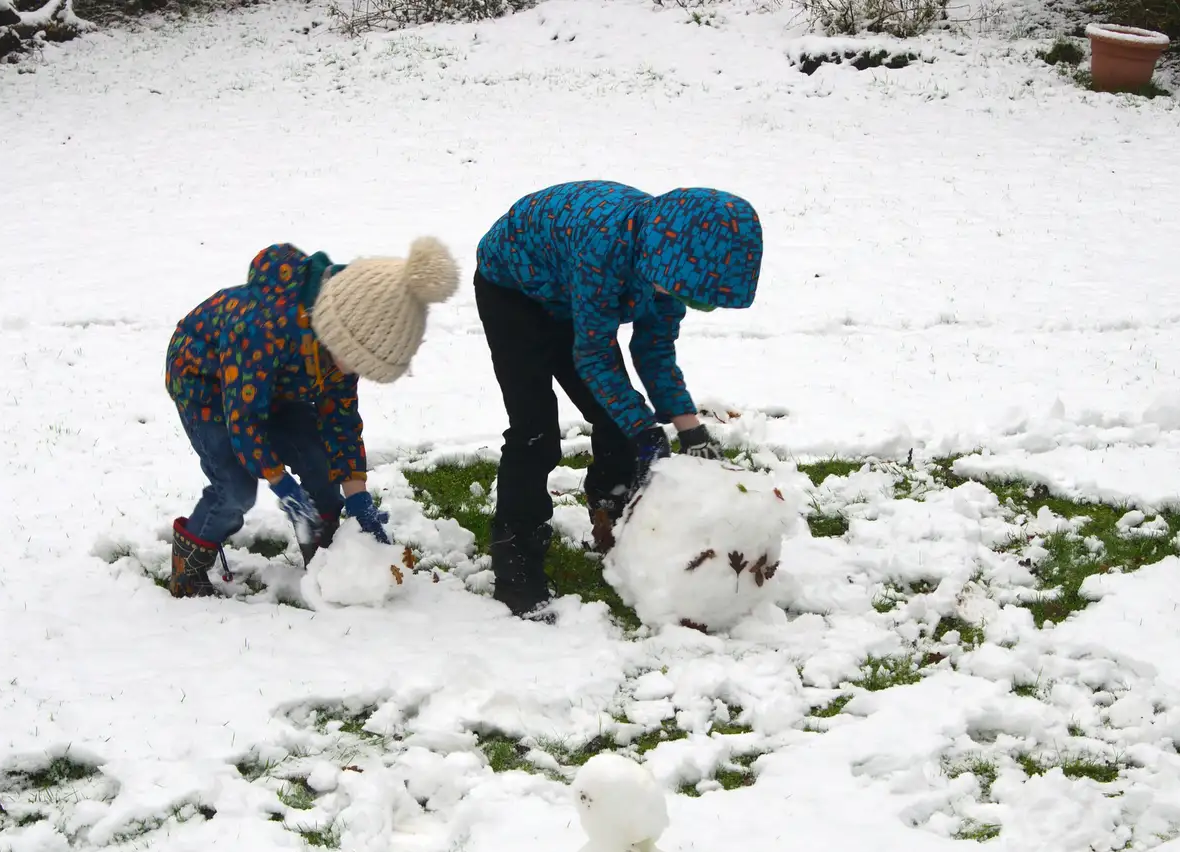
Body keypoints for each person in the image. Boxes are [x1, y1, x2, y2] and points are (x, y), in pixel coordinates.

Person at [473, 181, 764, 617]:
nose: (677, 301)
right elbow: (594, 355)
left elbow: (654, 351)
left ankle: (612, 513)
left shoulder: (664, 261)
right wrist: (645, 429)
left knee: (616, 416)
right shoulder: (606, 247)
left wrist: (690, 428)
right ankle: (517, 555)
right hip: (514, 291)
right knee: (535, 431)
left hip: (574, 300)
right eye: (682, 294)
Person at [164, 236, 458, 597]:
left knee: (319, 461)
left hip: (279, 385)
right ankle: (188, 567)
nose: (353, 371)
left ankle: (328, 558)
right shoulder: (262, 326)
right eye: (355, 361)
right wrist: (280, 482)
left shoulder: (339, 343)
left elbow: (341, 420)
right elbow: (243, 420)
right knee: (236, 489)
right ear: (338, 331)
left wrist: (358, 497)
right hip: (207, 387)